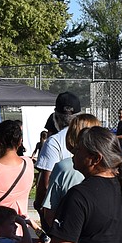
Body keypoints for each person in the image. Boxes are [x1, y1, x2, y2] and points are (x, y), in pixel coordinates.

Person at [34, 91, 82, 222]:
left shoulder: (54, 141)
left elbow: (46, 182)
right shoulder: (89, 136)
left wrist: (39, 206)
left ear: (55, 116)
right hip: (87, 203)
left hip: (62, 209)